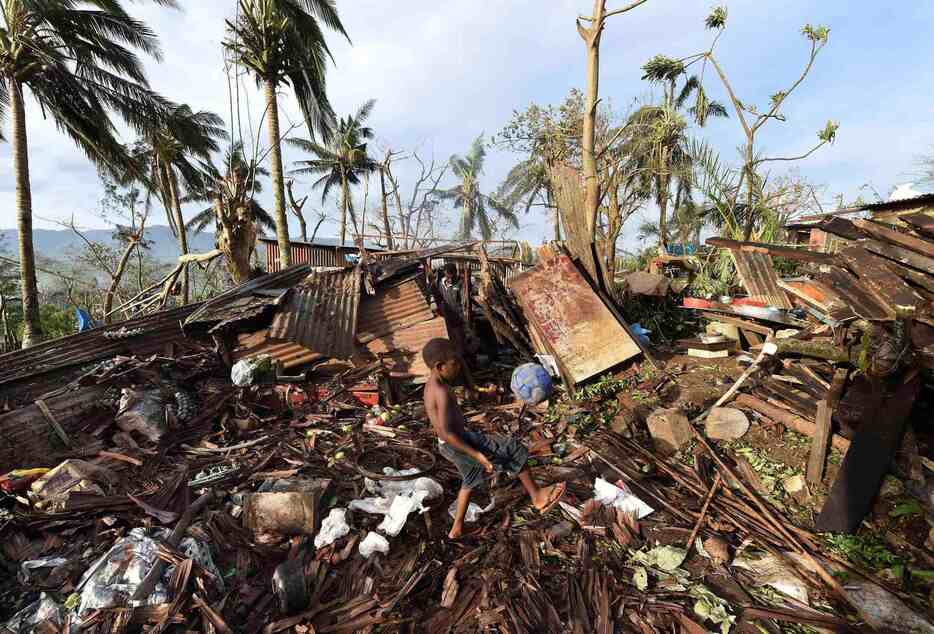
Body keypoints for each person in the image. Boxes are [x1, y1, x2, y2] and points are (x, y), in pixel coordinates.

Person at [422, 338, 566, 539]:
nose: (459, 365)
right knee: (513, 449)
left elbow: (462, 375)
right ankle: (538, 497)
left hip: (453, 442)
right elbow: (446, 432)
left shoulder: (435, 382)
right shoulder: (441, 391)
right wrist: (478, 455)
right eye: (455, 363)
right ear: (440, 366)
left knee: (470, 480)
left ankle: (457, 529)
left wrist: (479, 389)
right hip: (457, 442)